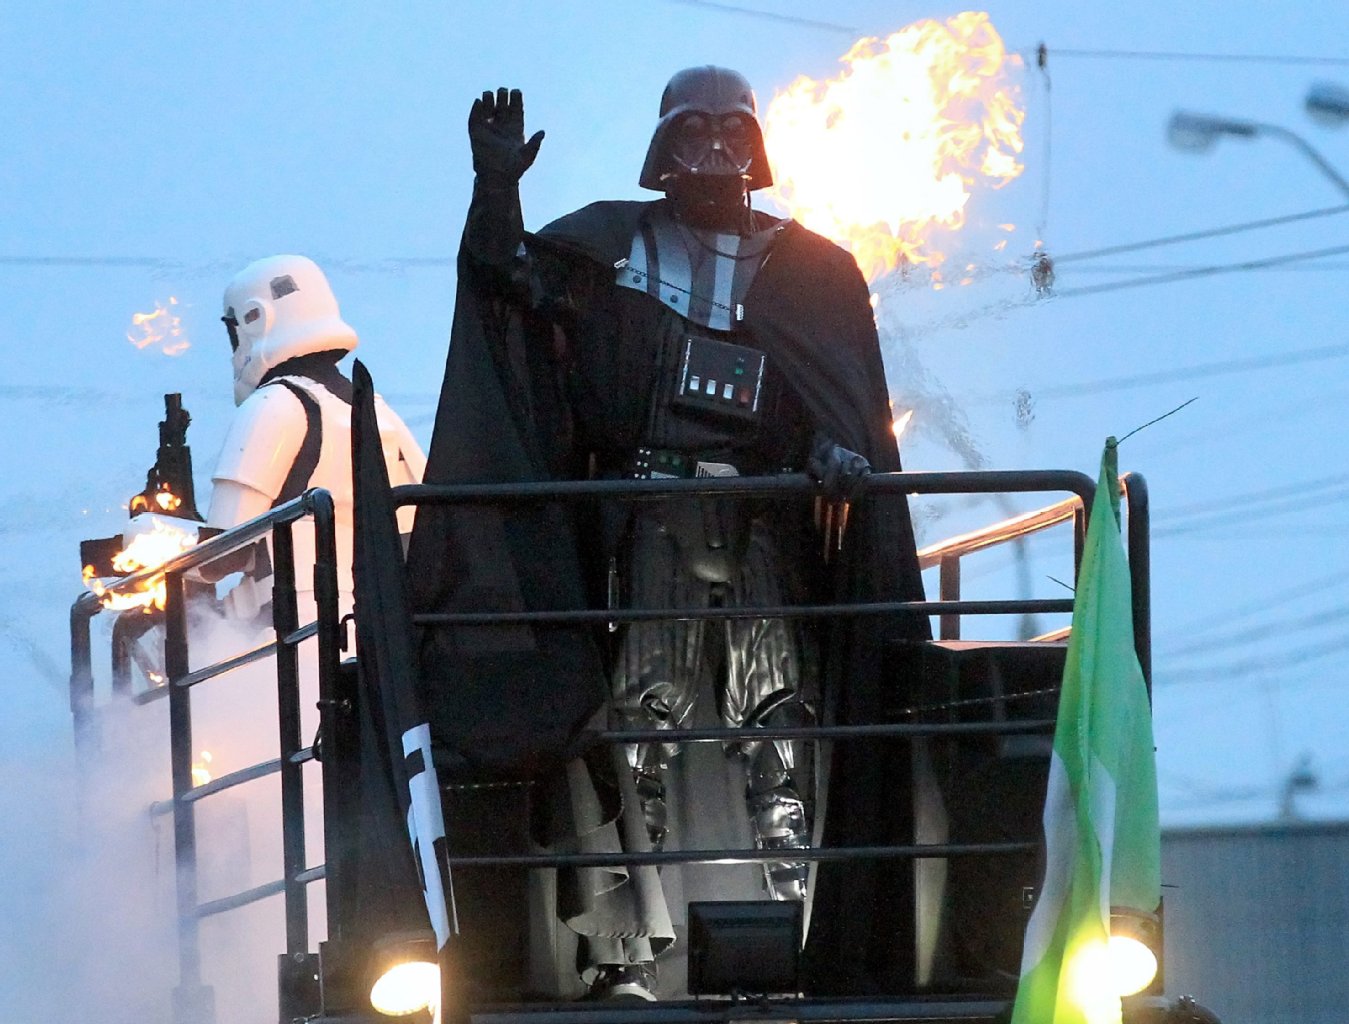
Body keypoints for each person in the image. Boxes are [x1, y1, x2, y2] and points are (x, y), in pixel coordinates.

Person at [410, 70, 928, 1001]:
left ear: (756, 147)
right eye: (695, 132)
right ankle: (623, 954)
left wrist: (834, 450)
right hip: (650, 514)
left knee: (780, 721)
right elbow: (506, 281)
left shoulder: (811, 273)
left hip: (763, 519)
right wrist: (496, 189)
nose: (715, 150)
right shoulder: (610, 253)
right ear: (665, 148)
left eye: (732, 132)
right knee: (640, 722)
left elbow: (829, 402)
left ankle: (796, 941)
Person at [207, 254, 426, 623]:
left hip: (289, 625)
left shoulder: (273, 404)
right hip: (378, 623)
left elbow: (222, 555)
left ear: (256, 320)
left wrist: (150, 541)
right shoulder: (375, 409)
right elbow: (418, 527)